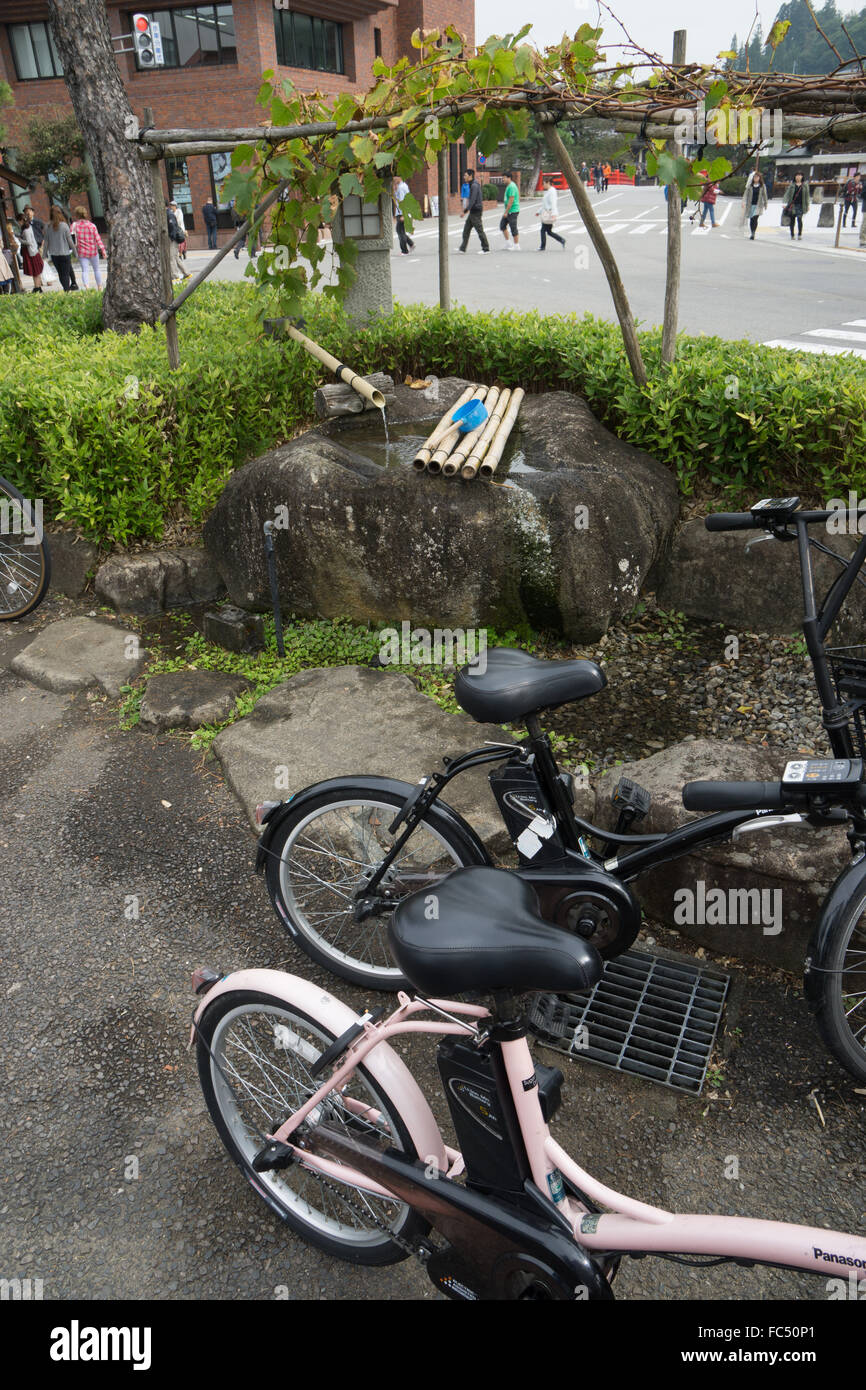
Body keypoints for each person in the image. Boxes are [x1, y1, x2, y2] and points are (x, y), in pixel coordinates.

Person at [70, 206, 106, 288]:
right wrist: (103, 250)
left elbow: (71, 238)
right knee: (96, 269)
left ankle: (87, 287)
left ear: (76, 215)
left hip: (82, 252)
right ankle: (99, 286)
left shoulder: (74, 225)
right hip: (93, 251)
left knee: (85, 270)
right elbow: (98, 239)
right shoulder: (92, 225)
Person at [457, 169, 489, 254]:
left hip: (476, 211)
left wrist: (465, 211)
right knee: (466, 230)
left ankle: (486, 248)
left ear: (470, 176)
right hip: (473, 211)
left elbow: (473, 200)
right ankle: (462, 248)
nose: (464, 177)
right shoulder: (472, 184)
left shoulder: (474, 185)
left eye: (465, 175)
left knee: (479, 230)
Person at [536, 176, 566, 251]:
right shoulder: (549, 191)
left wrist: (553, 214)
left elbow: (553, 203)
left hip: (549, 213)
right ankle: (561, 240)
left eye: (544, 183)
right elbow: (545, 203)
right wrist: (539, 211)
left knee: (543, 230)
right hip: (547, 212)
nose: (543, 185)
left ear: (548, 183)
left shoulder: (552, 191)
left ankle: (542, 246)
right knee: (548, 232)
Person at [19, 208, 44, 292]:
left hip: (32, 252)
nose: (18, 224)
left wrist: (20, 240)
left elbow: (29, 242)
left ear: (21, 221)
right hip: (33, 251)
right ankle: (37, 287)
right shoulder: (28, 228)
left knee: (35, 271)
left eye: (19, 221)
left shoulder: (26, 230)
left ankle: (38, 287)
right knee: (35, 271)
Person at [741, 170, 768, 240]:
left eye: (757, 177)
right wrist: (743, 202)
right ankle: (752, 232)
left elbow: (765, 195)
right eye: (754, 177)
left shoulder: (762, 186)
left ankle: (753, 233)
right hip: (750, 205)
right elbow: (745, 194)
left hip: (758, 205)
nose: (755, 178)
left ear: (759, 178)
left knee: (755, 219)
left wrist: (765, 204)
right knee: (751, 219)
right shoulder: (750, 186)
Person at [782, 171, 810, 239]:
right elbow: (787, 194)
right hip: (793, 205)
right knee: (792, 220)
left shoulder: (805, 185)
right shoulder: (792, 185)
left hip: (801, 205)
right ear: (795, 177)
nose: (798, 177)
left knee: (799, 219)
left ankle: (800, 234)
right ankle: (792, 234)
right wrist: (784, 203)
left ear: (802, 177)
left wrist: (808, 205)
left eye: (800, 175)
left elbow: (807, 196)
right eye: (797, 175)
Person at [500, 168, 521, 251]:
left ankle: (516, 245)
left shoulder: (511, 186)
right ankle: (508, 243)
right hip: (509, 210)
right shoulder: (509, 186)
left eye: (504, 178)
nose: (503, 179)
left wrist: (506, 212)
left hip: (512, 211)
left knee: (513, 228)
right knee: (502, 226)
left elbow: (511, 200)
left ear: (509, 178)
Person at [393, 177, 415, 255]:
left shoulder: (401, 188)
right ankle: (411, 244)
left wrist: (404, 215)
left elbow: (402, 201)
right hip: (402, 212)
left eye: (395, 178)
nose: (393, 179)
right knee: (401, 230)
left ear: (399, 178)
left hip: (402, 212)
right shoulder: (403, 186)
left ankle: (404, 250)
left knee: (400, 231)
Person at [166, 203, 188, 279]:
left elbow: (172, 226)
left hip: (173, 239)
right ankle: (186, 272)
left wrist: (171, 237)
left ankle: (175, 276)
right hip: (174, 238)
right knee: (175, 257)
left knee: (172, 258)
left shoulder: (169, 214)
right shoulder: (170, 213)